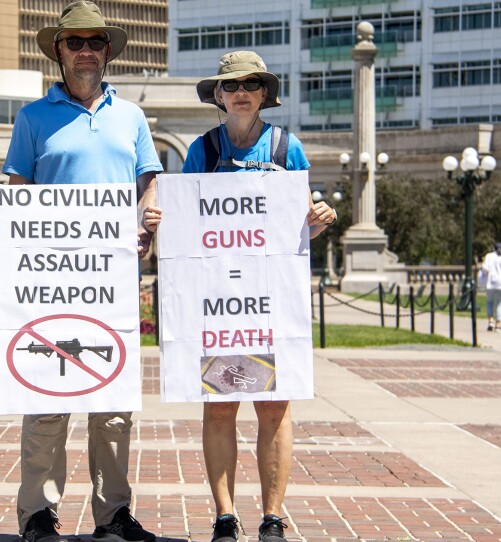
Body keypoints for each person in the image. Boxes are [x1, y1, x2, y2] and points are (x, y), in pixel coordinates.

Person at [0, 3, 163, 542]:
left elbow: (148, 182)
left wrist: (149, 220)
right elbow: (17, 192)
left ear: (107, 52)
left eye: (95, 42)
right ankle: (37, 515)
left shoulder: (131, 116)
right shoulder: (33, 118)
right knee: (46, 401)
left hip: (111, 278)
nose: (86, 50)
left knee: (112, 405)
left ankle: (113, 515)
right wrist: (5, 242)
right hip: (48, 280)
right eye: (75, 42)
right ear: (59, 52)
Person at [181, 50, 337, 542]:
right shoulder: (201, 152)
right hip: (219, 300)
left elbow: (297, 230)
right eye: (231, 86)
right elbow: (188, 226)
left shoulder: (287, 149)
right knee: (220, 405)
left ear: (265, 93)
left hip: (271, 300)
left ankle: (273, 517)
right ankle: (225, 517)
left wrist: (318, 220)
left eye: (251, 84)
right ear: (220, 97)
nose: (241, 92)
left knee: (274, 406)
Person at [478, 242, 501, 332]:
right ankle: (498, 325)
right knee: (500, 303)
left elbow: (485, 269)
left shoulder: (489, 256)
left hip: (490, 283)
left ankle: (490, 321)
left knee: (489, 302)